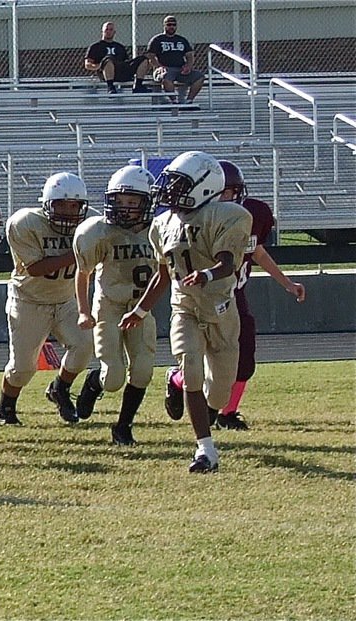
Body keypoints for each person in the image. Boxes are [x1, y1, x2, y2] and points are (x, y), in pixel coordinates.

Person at [121, 151, 251, 473]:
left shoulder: (229, 215)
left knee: (219, 395)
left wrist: (206, 275)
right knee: (191, 366)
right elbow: (164, 273)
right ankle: (205, 451)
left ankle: (178, 384)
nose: (170, 190)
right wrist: (141, 309)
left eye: (180, 184)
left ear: (205, 187)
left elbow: (227, 263)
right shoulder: (162, 224)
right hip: (185, 306)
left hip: (221, 309)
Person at [163, 160, 307, 430]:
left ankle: (227, 413)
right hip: (196, 296)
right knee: (198, 357)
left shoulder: (251, 214)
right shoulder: (195, 219)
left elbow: (257, 251)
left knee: (243, 357)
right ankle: (178, 379)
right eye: (221, 192)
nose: (225, 198)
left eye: (230, 192)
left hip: (233, 294)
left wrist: (287, 282)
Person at [0, 172, 94, 427]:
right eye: (61, 204)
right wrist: (78, 253)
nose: (68, 212)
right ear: (47, 204)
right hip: (29, 299)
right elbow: (36, 268)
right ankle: (5, 406)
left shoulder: (92, 223)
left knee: (84, 348)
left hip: (66, 298)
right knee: (23, 367)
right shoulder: (25, 222)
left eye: (74, 206)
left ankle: (60, 388)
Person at [72, 165, 158, 445]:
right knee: (113, 377)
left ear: (146, 202)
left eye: (132, 202)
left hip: (141, 306)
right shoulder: (98, 231)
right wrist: (84, 311)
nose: (124, 208)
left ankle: (123, 426)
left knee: (143, 370)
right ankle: (95, 381)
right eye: (119, 201)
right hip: (109, 305)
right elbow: (83, 273)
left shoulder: (159, 230)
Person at [146, 15, 205, 106]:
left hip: (180, 69)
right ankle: (174, 101)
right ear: (164, 26)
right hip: (164, 69)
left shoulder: (182, 40)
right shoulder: (157, 40)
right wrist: (159, 66)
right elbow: (150, 56)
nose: (171, 27)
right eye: (169, 25)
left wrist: (188, 67)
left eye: (174, 25)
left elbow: (190, 55)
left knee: (199, 76)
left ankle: (189, 101)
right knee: (166, 76)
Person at [84, 21, 150, 94]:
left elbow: (126, 61)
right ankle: (110, 87)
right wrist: (100, 66)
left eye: (111, 29)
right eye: (106, 29)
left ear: (114, 32)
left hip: (120, 71)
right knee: (108, 59)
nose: (108, 31)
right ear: (102, 31)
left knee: (143, 59)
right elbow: (87, 65)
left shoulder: (120, 47)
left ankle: (138, 86)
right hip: (105, 73)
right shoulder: (95, 47)